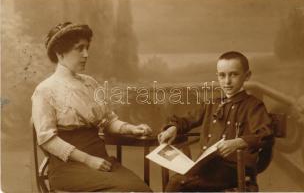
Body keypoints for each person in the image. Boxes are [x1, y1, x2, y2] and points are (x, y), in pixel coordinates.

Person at [32, 22, 152, 192]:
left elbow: (107, 121)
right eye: (79, 48)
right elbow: (47, 140)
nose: (86, 54)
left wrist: (131, 129)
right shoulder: (45, 90)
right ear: (60, 53)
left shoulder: (90, 84)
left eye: (87, 48)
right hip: (69, 168)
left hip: (101, 160)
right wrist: (88, 160)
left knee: (140, 189)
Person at [158, 51, 273, 191]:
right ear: (217, 76)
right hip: (207, 167)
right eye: (222, 75)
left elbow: (266, 134)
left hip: (234, 170)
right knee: (180, 181)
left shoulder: (253, 106)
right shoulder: (213, 103)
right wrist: (173, 128)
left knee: (178, 183)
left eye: (234, 74)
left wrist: (238, 142)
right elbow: (188, 119)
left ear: (247, 76)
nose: (227, 81)